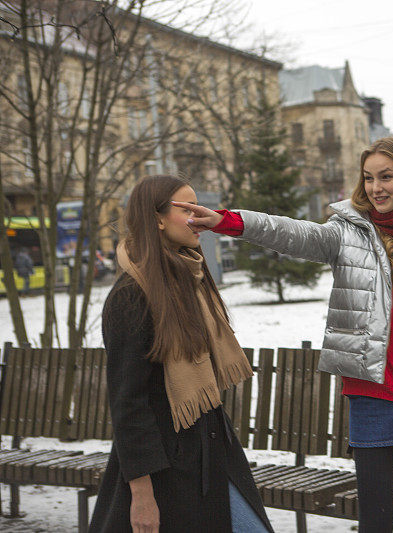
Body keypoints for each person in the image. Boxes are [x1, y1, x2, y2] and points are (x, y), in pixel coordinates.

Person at [178, 136, 393, 533]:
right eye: (368, 178)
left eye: (386, 176)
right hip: (376, 389)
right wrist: (230, 221)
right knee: (375, 518)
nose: (376, 187)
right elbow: (293, 233)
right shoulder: (348, 232)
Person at [89, 175, 273, 533]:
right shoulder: (131, 296)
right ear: (157, 219)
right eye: (186, 209)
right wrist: (142, 495)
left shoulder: (192, 277)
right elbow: (128, 405)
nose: (198, 217)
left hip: (214, 455)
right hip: (165, 470)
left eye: (197, 207)